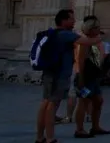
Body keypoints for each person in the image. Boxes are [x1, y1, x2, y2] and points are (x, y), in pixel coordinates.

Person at [35, 8, 77, 143]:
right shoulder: (65, 34)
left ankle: (40, 137)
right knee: (53, 105)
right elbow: (88, 41)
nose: (74, 21)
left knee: (45, 103)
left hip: (49, 72)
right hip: (59, 76)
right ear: (64, 21)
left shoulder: (51, 34)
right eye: (71, 19)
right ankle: (50, 138)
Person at [71, 15, 110, 138]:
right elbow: (80, 61)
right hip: (86, 77)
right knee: (83, 101)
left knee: (98, 101)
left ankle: (95, 126)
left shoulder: (95, 40)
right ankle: (79, 129)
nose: (99, 29)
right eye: (97, 27)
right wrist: (81, 78)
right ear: (91, 29)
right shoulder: (85, 42)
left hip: (94, 76)